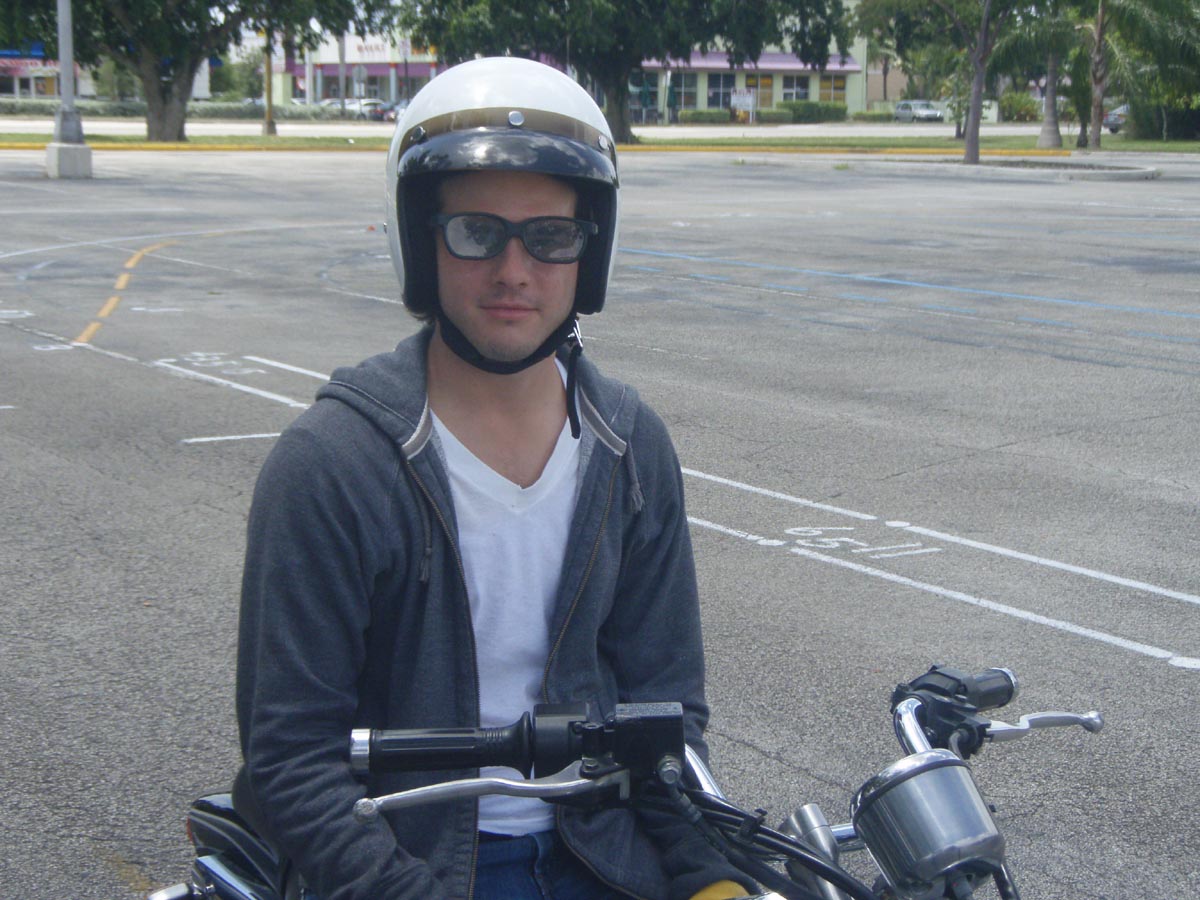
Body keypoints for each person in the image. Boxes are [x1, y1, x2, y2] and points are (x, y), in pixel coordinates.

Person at [234, 57, 753, 900]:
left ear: (588, 250)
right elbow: (292, 759)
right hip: (413, 857)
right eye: (476, 233)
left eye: (550, 237)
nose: (515, 270)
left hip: (603, 843)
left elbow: (667, 712)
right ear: (420, 240)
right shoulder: (332, 464)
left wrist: (706, 871)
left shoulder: (629, 446)